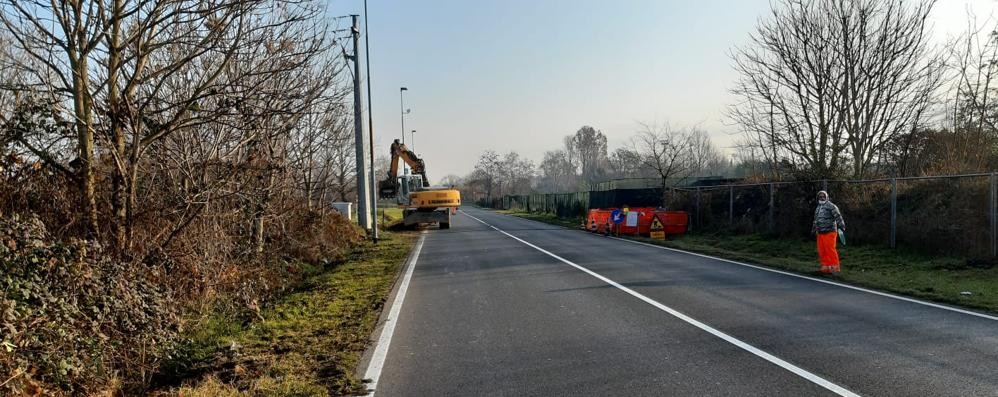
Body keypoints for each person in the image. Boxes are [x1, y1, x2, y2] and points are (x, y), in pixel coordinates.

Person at [812, 190, 845, 273]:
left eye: (823, 196)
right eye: (820, 196)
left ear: (827, 197)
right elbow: (815, 220)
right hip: (820, 233)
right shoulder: (818, 208)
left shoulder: (831, 206)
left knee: (830, 249)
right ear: (818, 198)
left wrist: (841, 226)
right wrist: (814, 229)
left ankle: (835, 267)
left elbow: (838, 216)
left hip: (830, 231)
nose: (822, 198)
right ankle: (825, 267)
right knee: (822, 250)